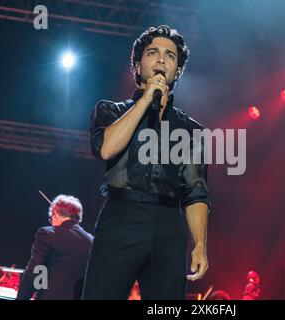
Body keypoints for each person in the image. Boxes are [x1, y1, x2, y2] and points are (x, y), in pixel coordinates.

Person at [82, 25, 210, 300]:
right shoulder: (110, 110)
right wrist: (145, 101)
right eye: (153, 53)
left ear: (177, 71)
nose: (162, 60)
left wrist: (199, 245)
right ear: (138, 65)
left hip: (169, 224)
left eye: (170, 56)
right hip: (121, 214)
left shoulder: (191, 130)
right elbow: (105, 149)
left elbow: (196, 191)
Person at [17, 195, 93, 300]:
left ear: (55, 214)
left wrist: (22, 297)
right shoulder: (91, 240)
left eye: (51, 218)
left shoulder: (48, 234)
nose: (51, 222)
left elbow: (37, 270)